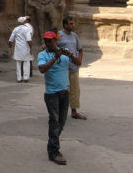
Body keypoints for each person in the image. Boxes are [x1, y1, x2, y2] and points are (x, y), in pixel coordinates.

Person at [38, 31, 80, 165]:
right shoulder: (42, 55)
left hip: (64, 93)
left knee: (61, 122)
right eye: (46, 41)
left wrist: (71, 55)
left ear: (56, 41)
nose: (48, 43)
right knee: (54, 122)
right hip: (52, 94)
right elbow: (42, 69)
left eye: (51, 40)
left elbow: (78, 62)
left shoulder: (64, 52)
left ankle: (52, 145)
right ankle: (54, 152)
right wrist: (55, 58)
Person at [57, 16, 86, 120]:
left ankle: (74, 112)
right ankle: (60, 112)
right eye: (70, 24)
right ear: (64, 25)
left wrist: (79, 60)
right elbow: (51, 47)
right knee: (62, 90)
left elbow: (80, 49)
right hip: (62, 67)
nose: (72, 25)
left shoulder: (74, 36)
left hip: (73, 67)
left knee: (75, 91)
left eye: (73, 23)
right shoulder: (59, 35)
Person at [9, 16, 33, 83]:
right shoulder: (26, 29)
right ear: (24, 22)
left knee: (18, 63)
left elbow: (10, 40)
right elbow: (29, 40)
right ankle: (26, 78)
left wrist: (10, 47)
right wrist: (31, 48)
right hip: (25, 48)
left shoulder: (15, 29)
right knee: (26, 62)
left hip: (18, 49)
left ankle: (19, 78)